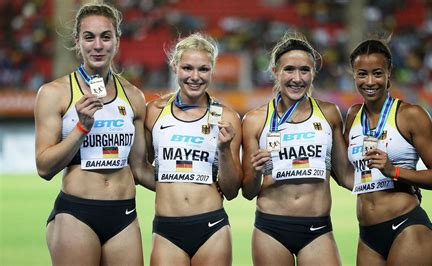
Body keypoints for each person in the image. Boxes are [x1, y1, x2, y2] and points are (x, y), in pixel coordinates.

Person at [34, 2, 153, 265]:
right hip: (77, 214)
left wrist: (190, 183)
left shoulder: (133, 96)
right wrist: (81, 128)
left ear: (117, 41)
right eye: (89, 37)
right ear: (77, 41)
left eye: (105, 37)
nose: (97, 45)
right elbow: (44, 167)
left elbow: (141, 169)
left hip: (124, 214)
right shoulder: (54, 93)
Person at [241, 32, 351, 265]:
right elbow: (249, 191)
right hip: (270, 229)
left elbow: (346, 176)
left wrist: (393, 182)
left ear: (313, 73)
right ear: (275, 72)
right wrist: (257, 169)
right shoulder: (254, 120)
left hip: (317, 228)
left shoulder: (329, 113)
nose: (297, 78)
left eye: (305, 70)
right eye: (289, 69)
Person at [345, 38, 432, 265]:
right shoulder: (353, 116)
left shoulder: (411, 115)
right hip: (368, 236)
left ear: (389, 73)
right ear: (353, 75)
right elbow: (347, 172)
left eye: (377, 73)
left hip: (407, 227)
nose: (370, 81)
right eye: (362, 74)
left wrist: (394, 171)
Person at [144, 32, 242, 265]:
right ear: (175, 67)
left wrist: (226, 149)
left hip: (212, 227)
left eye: (203, 69)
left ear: (213, 69)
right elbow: (140, 167)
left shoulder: (227, 117)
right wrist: (173, 182)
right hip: (167, 228)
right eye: (187, 68)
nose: (195, 77)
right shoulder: (154, 111)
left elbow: (231, 191)